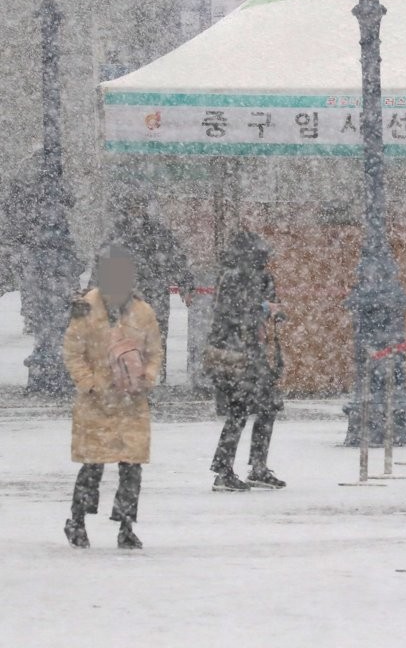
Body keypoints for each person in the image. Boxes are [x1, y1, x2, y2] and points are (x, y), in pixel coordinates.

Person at [62, 245, 162, 549]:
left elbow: (155, 352)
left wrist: (145, 378)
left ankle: (126, 526)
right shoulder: (86, 309)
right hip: (97, 403)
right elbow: (73, 353)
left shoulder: (142, 312)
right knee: (92, 465)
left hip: (131, 403)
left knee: (131, 466)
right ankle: (76, 520)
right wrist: (90, 384)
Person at [206, 231, 286, 492]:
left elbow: (264, 306)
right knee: (240, 409)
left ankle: (253, 466)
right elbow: (235, 313)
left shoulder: (252, 276)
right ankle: (225, 469)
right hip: (237, 352)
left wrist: (269, 310)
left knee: (265, 406)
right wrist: (263, 309)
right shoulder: (235, 277)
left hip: (250, 350)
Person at [98, 188, 195, 383]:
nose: (137, 210)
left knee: (154, 334)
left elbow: (175, 258)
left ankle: (150, 372)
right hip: (131, 293)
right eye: (133, 206)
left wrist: (186, 284)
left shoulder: (150, 232)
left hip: (150, 291)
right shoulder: (121, 233)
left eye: (140, 205)